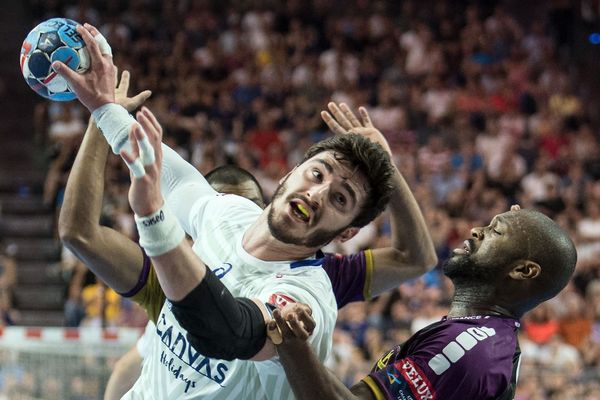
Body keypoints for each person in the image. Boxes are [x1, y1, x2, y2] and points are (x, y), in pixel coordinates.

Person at [56, 23, 435, 399]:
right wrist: (102, 108)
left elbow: (226, 330)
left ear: (346, 233)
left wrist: (153, 218)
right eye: (316, 173)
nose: (318, 192)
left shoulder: (307, 296)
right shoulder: (229, 213)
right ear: (288, 173)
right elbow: (168, 176)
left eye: (340, 199)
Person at [266, 205, 578, 400]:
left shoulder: (468, 347)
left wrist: (291, 341)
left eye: (495, 230)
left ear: (523, 270)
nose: (475, 230)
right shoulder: (493, 341)